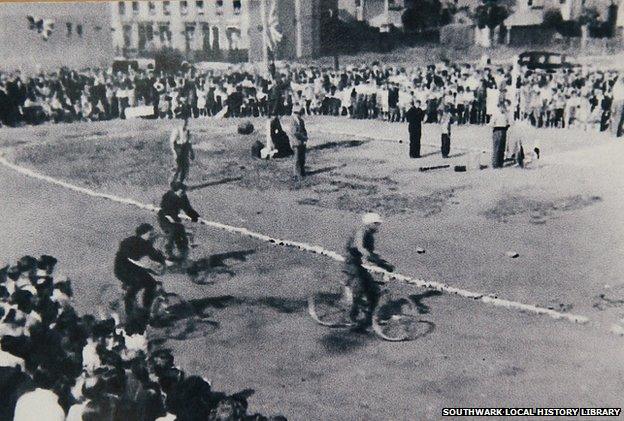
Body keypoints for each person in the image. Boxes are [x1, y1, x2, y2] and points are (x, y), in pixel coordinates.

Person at [342, 212, 394, 332]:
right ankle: (351, 316)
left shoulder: (369, 235)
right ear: (369, 223)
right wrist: (374, 258)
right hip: (351, 264)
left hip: (358, 264)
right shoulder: (361, 231)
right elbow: (360, 248)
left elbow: (370, 254)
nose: (377, 226)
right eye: (376, 224)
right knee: (359, 289)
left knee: (374, 293)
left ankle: (367, 320)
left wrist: (382, 263)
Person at [114, 223, 166, 334]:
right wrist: (150, 263)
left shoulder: (143, 243)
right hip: (123, 270)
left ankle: (144, 306)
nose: (151, 236)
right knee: (141, 284)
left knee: (149, 283)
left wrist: (161, 260)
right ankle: (131, 311)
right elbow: (133, 255)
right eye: (150, 234)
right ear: (143, 233)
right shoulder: (133, 242)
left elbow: (154, 254)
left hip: (132, 268)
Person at [157, 181, 200, 263]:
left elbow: (188, 209)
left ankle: (183, 253)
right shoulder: (167, 196)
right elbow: (165, 211)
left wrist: (196, 217)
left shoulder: (183, 196)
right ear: (175, 191)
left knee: (180, 230)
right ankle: (168, 251)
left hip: (175, 219)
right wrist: (172, 220)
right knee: (175, 229)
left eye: (184, 191)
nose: (183, 193)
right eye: (182, 191)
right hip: (164, 219)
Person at [169, 116, 195, 184]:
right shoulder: (176, 130)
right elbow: (172, 142)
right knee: (177, 167)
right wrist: (174, 153)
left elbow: (189, 142)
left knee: (185, 167)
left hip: (185, 148)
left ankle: (182, 183)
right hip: (178, 148)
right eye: (184, 122)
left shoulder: (187, 131)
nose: (185, 124)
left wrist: (191, 152)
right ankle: (172, 183)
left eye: (186, 122)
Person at [289, 106, 308, 178]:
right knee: (297, 159)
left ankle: (302, 172)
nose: (299, 114)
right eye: (298, 113)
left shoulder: (301, 121)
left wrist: (305, 138)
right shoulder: (292, 121)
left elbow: (304, 130)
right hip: (296, 142)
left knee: (302, 158)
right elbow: (295, 132)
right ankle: (296, 174)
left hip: (302, 142)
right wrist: (303, 137)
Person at [490, 101, 510, 169]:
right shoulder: (496, 114)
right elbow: (491, 123)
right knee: (496, 148)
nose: (503, 109)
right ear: (499, 107)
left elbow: (508, 122)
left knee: (502, 147)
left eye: (504, 107)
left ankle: (500, 163)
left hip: (504, 130)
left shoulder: (505, 114)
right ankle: (495, 164)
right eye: (502, 107)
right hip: (497, 130)